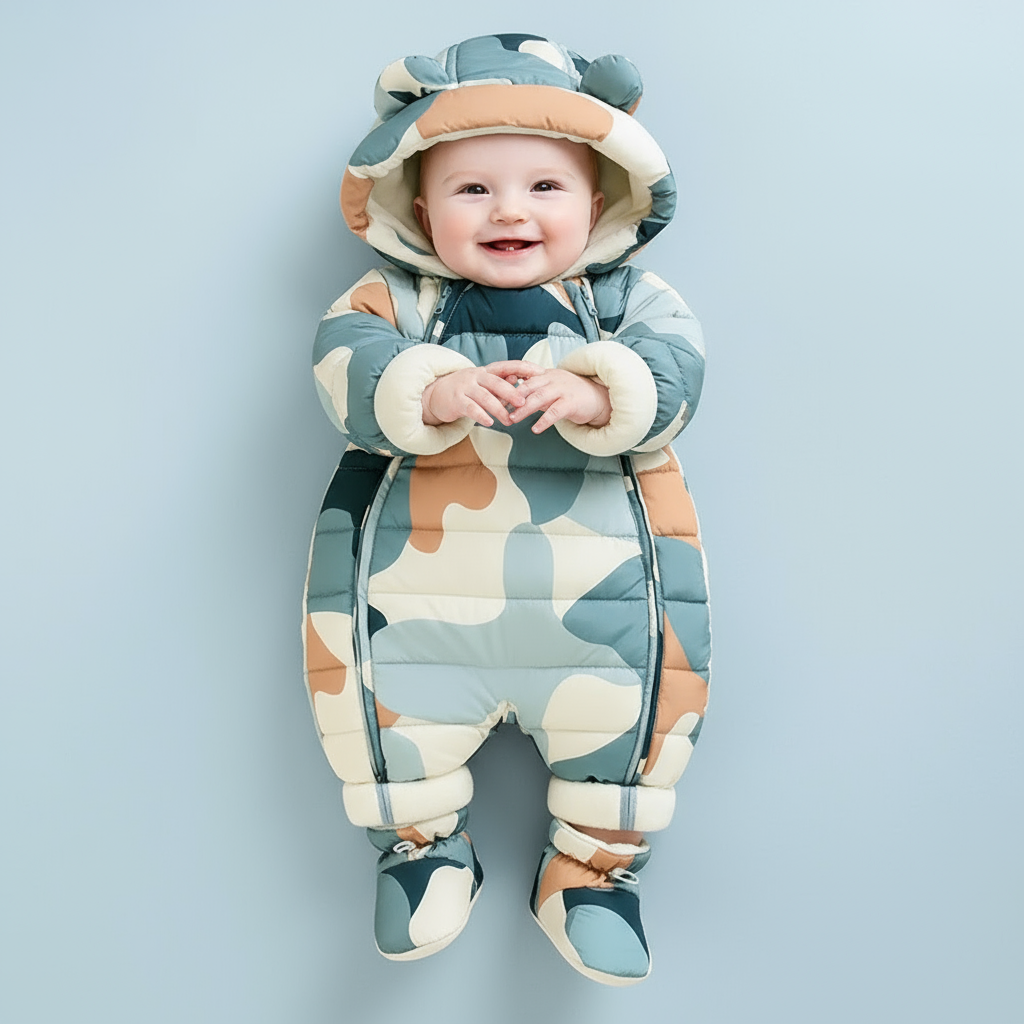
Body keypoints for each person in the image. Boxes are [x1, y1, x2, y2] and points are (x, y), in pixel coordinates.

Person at [304, 33, 710, 986]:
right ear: (419, 204)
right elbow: (342, 364)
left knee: (637, 722)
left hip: (605, 598)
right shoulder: (392, 302)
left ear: (600, 199)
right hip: (419, 602)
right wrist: (430, 390)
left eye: (544, 186)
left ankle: (591, 874)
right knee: (383, 715)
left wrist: (603, 393)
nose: (509, 211)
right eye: (472, 188)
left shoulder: (629, 302)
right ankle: (423, 852)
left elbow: (682, 371)